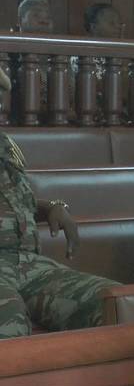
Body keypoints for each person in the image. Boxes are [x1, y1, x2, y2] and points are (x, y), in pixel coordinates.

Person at [0, 67, 119, 339]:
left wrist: (50, 207)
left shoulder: (5, 146)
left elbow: (14, 202)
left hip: (29, 266)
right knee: (8, 321)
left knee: (113, 303)